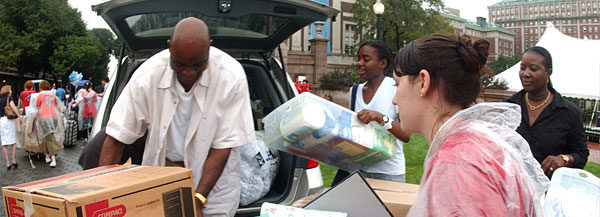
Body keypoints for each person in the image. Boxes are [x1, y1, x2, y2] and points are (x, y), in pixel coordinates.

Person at [97, 17, 255, 217]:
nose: (189, 72)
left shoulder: (231, 76)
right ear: (169, 47)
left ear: (209, 48)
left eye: (198, 65)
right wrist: (99, 195)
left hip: (214, 180)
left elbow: (222, 146)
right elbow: (117, 137)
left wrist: (199, 198)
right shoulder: (147, 76)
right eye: (179, 65)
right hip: (163, 172)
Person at [393, 34, 549, 216]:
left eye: (397, 85)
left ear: (423, 82)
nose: (394, 100)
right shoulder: (476, 142)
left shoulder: (456, 163)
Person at [331, 40, 411, 185]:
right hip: (357, 170)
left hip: (388, 172)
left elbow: (406, 134)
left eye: (366, 59)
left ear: (383, 63)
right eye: (359, 59)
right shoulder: (355, 91)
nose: (359, 63)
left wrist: (379, 118)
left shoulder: (395, 88)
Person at [505, 46, 589, 177]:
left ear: (548, 73)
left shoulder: (568, 112)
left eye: (533, 69)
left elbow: (581, 154)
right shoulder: (508, 107)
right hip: (511, 188)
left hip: (548, 191)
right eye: (522, 68)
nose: (525, 73)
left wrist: (564, 159)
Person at [36, 80, 64, 168]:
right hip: (54, 117)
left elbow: (37, 108)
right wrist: (61, 113)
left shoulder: (39, 96)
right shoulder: (52, 95)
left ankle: (53, 159)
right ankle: (47, 155)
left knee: (49, 139)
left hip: (44, 117)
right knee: (50, 136)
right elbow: (57, 106)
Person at [1, 85, 21, 170]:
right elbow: (13, 107)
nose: (11, 91)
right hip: (9, 120)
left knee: (4, 142)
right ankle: (13, 160)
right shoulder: (9, 99)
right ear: (8, 91)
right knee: (12, 140)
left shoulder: (0, 99)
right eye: (10, 90)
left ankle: (7, 163)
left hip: (2, 120)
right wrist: (19, 116)